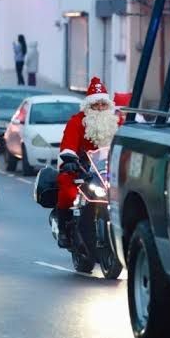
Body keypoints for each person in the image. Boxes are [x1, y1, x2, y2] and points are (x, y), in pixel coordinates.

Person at [56, 77, 120, 248]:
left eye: (103, 105)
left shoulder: (116, 123)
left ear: (108, 106)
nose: (99, 109)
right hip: (81, 168)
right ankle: (63, 228)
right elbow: (68, 145)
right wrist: (69, 160)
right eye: (95, 105)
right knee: (68, 192)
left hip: (109, 170)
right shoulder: (77, 122)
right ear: (88, 107)